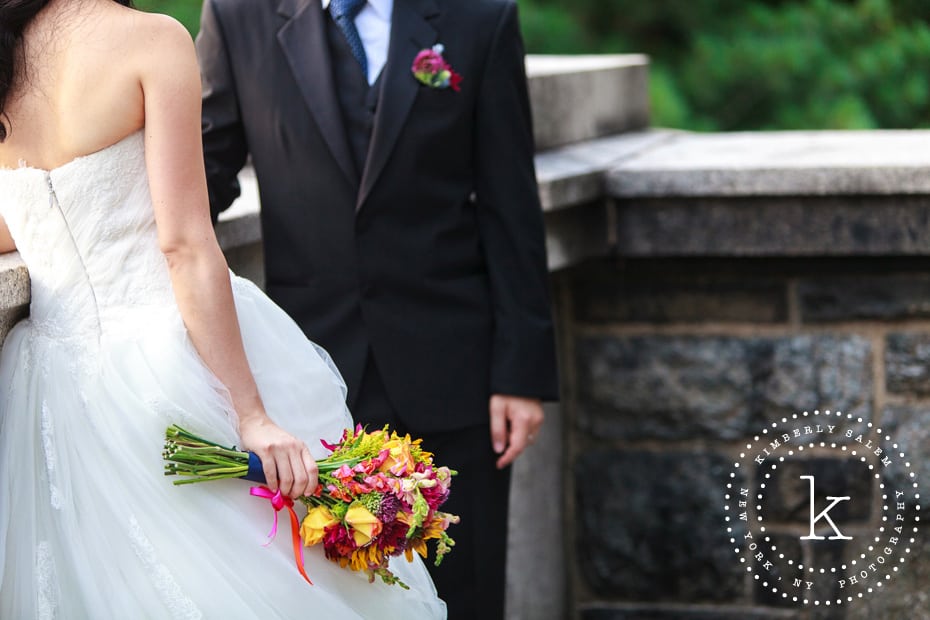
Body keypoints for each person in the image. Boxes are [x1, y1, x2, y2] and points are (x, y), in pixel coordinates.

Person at [0, 0, 445, 617]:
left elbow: (17, 218)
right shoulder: (150, 40)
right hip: (166, 366)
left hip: (49, 388)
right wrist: (251, 413)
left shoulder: (8, 51)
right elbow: (185, 244)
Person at [197, 0, 559, 617]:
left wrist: (521, 372)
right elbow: (204, 170)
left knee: (464, 588)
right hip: (310, 376)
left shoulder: (481, 17)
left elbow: (510, 201)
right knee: (338, 599)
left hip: (456, 369)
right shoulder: (239, 14)